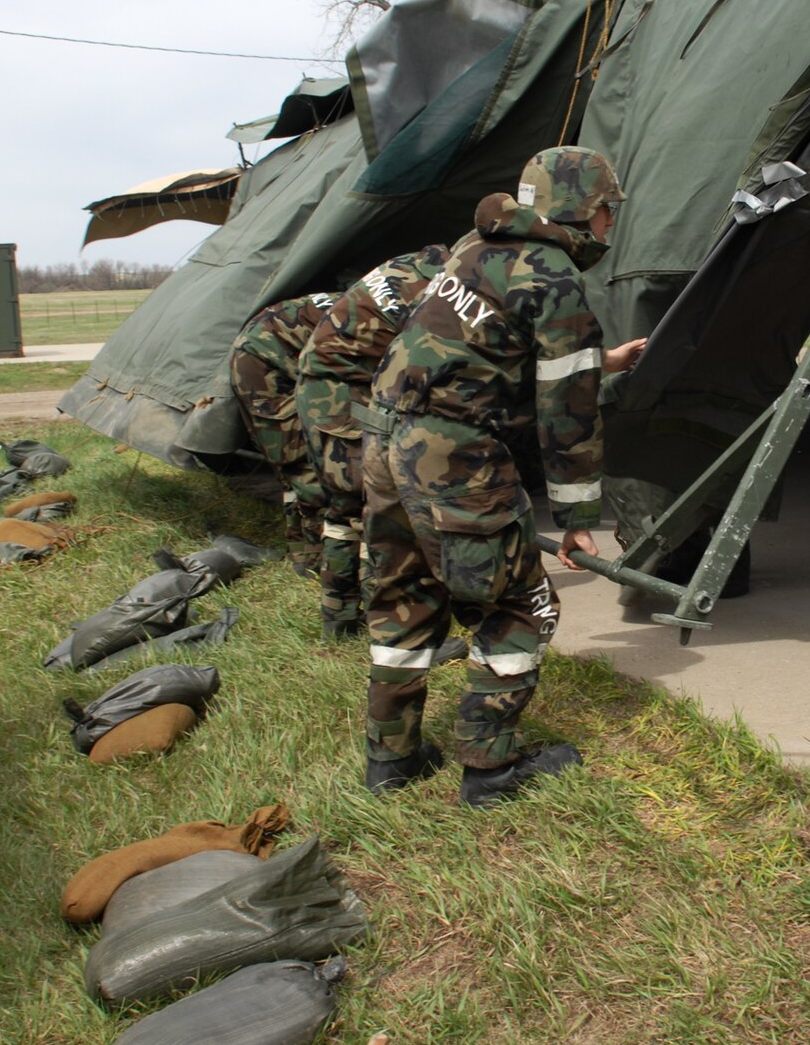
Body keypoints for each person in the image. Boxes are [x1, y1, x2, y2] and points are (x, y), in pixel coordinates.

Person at [356, 146, 647, 807]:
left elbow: (482, 353)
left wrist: (598, 359)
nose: (610, 227)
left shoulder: (471, 249)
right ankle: (490, 768)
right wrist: (577, 521)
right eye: (607, 213)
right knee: (520, 606)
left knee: (405, 594)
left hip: (385, 438)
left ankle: (390, 760)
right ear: (584, 209)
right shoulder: (554, 276)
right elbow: (565, 412)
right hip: (451, 456)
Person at [295, 245, 450, 639]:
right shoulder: (439, 286)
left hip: (325, 392)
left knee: (344, 511)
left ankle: (341, 619)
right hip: (344, 399)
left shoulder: (412, 263)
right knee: (380, 513)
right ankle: (394, 630)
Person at [227, 291, 338, 574]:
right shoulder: (406, 318)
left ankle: (303, 556)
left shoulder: (378, 295)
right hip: (267, 362)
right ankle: (319, 564)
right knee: (305, 466)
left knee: (291, 468)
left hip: (262, 351)